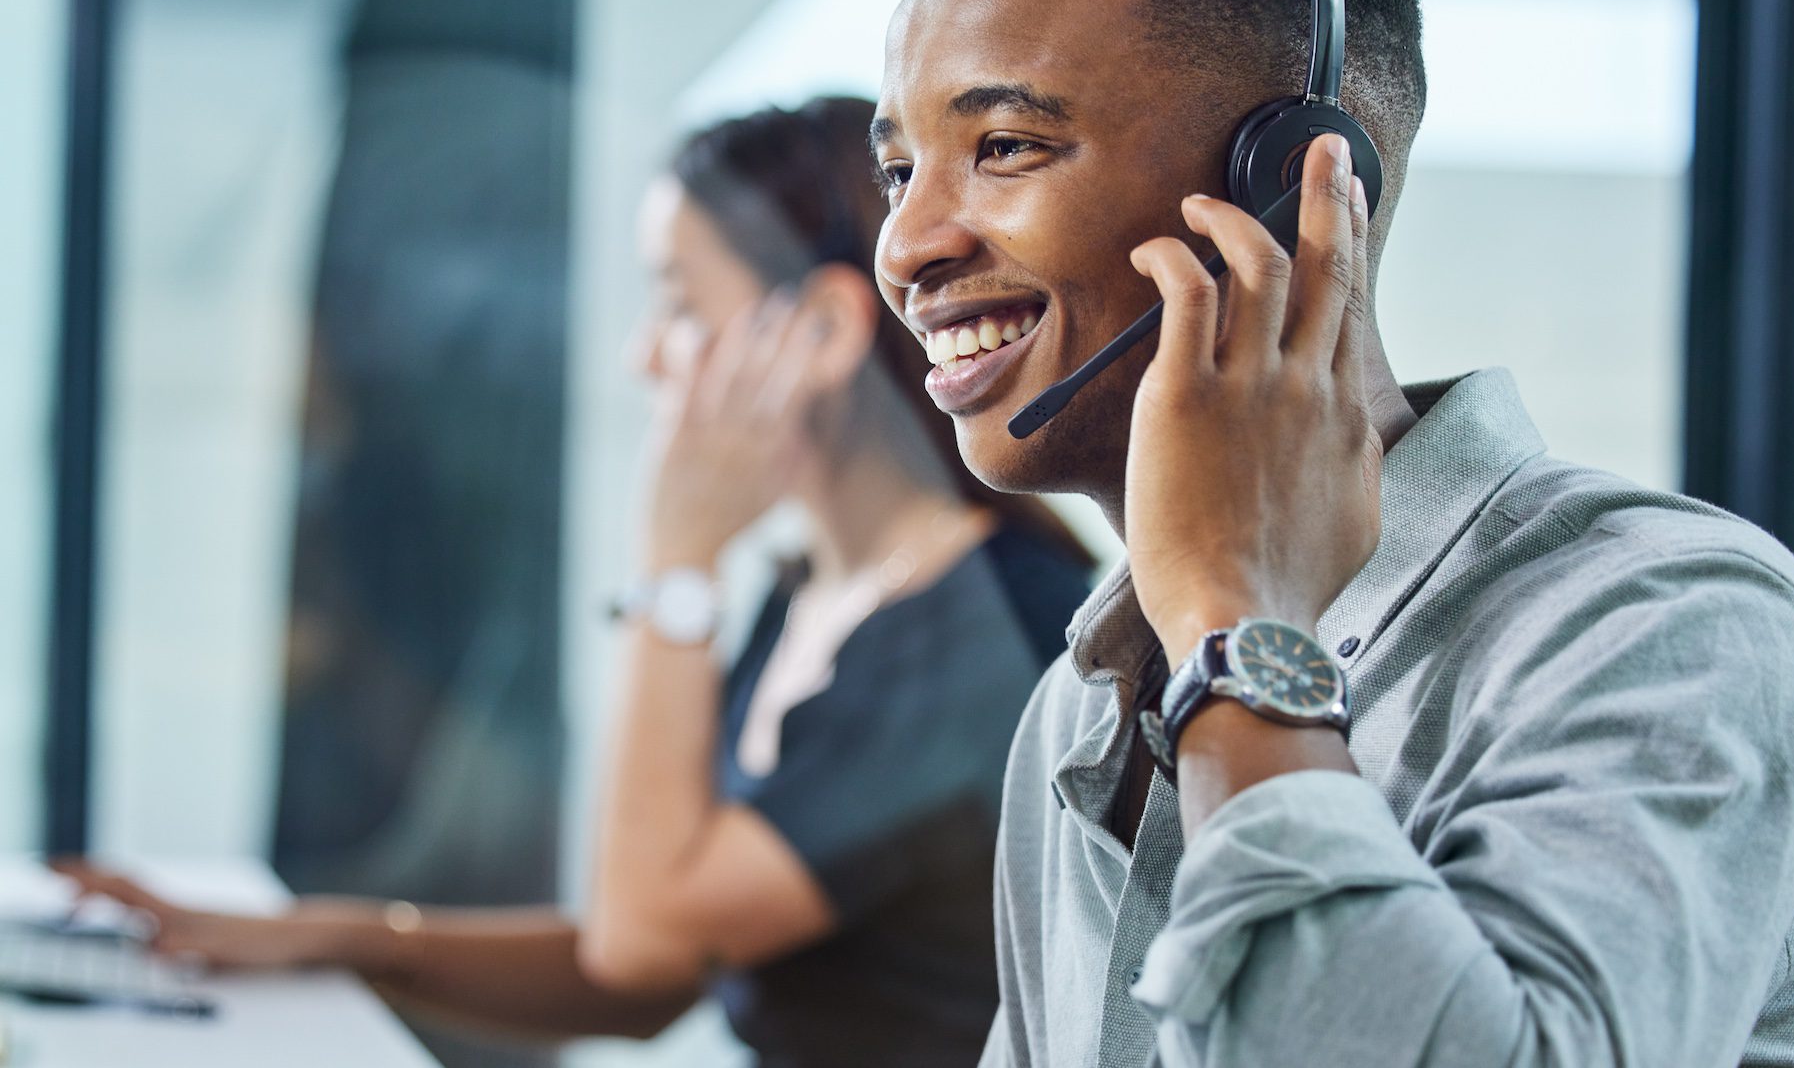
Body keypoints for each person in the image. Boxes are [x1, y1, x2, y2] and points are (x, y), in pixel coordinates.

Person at [869, 0, 1794, 1066]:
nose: (905, 248)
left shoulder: (1667, 622)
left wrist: (1242, 635)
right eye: (899, 170)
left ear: (1291, 182)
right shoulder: (1077, 716)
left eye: (1005, 146)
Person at [57, 97, 1094, 1068]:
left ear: (821, 332)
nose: (648, 356)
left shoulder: (979, 637)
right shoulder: (821, 595)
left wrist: (676, 564)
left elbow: (642, 947)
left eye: (679, 305)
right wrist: (326, 940)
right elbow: (656, 964)